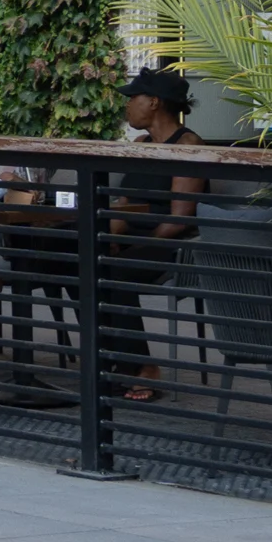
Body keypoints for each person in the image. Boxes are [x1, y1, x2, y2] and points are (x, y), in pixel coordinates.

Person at [97, 66, 206, 398]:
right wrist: (110, 238)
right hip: (137, 241)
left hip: (174, 246)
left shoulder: (188, 146)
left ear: (154, 102)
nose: (127, 105)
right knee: (90, 259)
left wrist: (132, 247)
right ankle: (113, 358)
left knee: (114, 271)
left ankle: (143, 366)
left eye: (133, 98)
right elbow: (126, 204)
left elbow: (179, 219)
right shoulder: (142, 144)